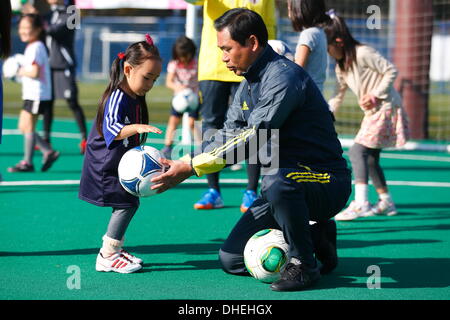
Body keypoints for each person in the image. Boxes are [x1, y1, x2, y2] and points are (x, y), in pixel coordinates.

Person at [151, 8, 352, 291]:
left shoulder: (284, 78)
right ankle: (318, 236)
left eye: (227, 49)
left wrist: (191, 166)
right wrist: (182, 160)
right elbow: (226, 134)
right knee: (231, 259)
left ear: (253, 43)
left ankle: (305, 266)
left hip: (326, 181)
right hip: (283, 184)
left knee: (277, 181)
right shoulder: (247, 85)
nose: (222, 57)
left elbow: (253, 137)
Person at [78, 34, 163, 273]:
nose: (150, 84)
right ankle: (107, 255)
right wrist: (136, 128)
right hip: (104, 165)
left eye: (155, 80)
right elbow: (111, 130)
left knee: (129, 203)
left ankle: (115, 249)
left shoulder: (135, 97)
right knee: (126, 204)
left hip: (117, 163)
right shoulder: (117, 96)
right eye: (147, 77)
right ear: (128, 69)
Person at [187, 0, 277, 213]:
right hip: (212, 67)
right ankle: (213, 190)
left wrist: (267, 60)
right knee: (211, 125)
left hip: (249, 64)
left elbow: (269, 25)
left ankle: (251, 190)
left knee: (256, 127)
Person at [324, 14, 409, 221]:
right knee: (370, 159)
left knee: (356, 151)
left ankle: (361, 203)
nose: (326, 52)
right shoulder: (340, 66)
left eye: (327, 46)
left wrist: (375, 94)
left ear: (338, 41)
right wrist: (326, 113)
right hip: (373, 112)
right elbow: (338, 93)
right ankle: (386, 201)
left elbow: (390, 70)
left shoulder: (363, 53)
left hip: (386, 107)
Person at [7, 14, 60, 173]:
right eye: (21, 28)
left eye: (27, 28)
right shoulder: (32, 46)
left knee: (28, 126)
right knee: (23, 126)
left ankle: (27, 162)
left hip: (37, 94)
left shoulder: (36, 46)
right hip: (32, 94)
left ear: (37, 30)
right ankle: (48, 151)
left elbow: (35, 72)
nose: (23, 31)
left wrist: (16, 70)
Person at [42, 0, 88, 154]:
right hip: (48, 65)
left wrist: (37, 23)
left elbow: (57, 31)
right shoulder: (49, 14)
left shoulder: (73, 12)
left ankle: (85, 139)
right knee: (47, 103)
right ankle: (45, 140)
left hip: (64, 65)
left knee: (72, 102)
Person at [161, 35, 201, 159]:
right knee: (173, 121)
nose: (183, 59)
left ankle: (203, 147)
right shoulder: (174, 64)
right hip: (179, 99)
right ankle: (167, 147)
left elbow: (201, 79)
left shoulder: (197, 63)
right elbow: (168, 82)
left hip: (194, 98)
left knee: (192, 123)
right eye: (181, 56)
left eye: (186, 55)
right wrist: (179, 89)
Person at [287, 0, 331, 92]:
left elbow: (297, 69)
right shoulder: (319, 32)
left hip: (306, 97)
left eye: (290, 6)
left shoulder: (308, 34)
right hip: (317, 94)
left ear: (301, 9)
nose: (288, 9)